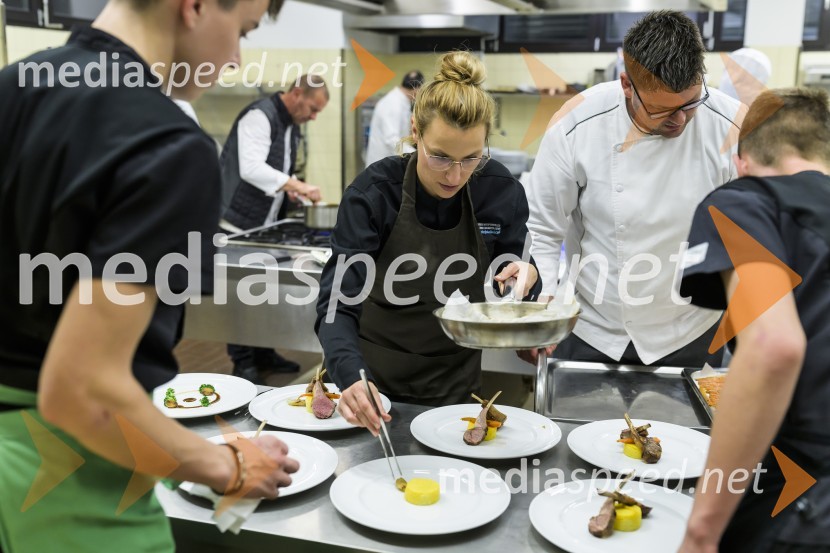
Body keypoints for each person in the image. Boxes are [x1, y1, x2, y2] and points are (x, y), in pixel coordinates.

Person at [0, 0, 299, 550]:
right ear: (196, 6)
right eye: (243, 31)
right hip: (67, 480)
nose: (235, 58)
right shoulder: (168, 145)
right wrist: (226, 467)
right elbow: (85, 393)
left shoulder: (15, 86)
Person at [315, 51, 542, 434]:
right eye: (440, 157)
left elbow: (513, 277)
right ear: (415, 132)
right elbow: (337, 303)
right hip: (370, 381)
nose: (455, 175)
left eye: (471, 158)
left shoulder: (499, 191)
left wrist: (527, 281)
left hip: (456, 383)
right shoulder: (375, 194)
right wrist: (350, 375)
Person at [526, 10, 742, 368]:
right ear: (627, 85)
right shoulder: (578, 122)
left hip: (691, 329)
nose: (680, 120)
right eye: (661, 110)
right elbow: (544, 229)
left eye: (690, 104)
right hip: (591, 326)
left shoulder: (733, 127)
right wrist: (541, 312)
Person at [678, 88, 830, 553]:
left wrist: (701, 533)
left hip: (806, 502)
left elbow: (773, 346)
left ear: (742, 161)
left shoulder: (746, 202)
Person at [220, 74, 329, 381]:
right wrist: (297, 184)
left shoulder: (292, 126)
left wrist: (289, 188)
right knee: (239, 292)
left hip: (262, 222)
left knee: (261, 291)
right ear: (297, 93)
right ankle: (242, 361)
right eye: (313, 108)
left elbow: (277, 171)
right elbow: (251, 167)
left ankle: (264, 351)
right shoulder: (259, 116)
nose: (314, 116)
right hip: (234, 221)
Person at [365, 70, 424, 167]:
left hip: (390, 161)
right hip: (382, 164)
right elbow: (391, 139)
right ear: (417, 88)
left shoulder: (401, 102)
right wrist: (416, 154)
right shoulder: (392, 103)